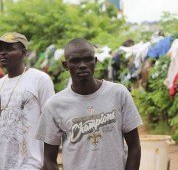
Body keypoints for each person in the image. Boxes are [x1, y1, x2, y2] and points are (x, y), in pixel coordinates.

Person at [35, 38, 143, 170]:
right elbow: (49, 159)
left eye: (87, 59)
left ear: (95, 62)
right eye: (75, 61)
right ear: (65, 65)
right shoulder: (54, 105)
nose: (82, 65)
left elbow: (134, 146)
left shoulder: (118, 93)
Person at [0, 32, 55, 169]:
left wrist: (48, 161)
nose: (2, 53)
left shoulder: (40, 79)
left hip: (31, 164)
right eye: (0, 49)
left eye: (9, 49)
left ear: (23, 53)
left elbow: (52, 121)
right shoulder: (1, 84)